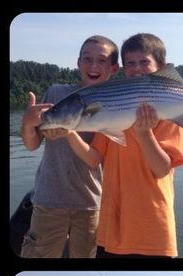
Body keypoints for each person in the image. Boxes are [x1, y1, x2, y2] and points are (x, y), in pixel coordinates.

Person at [64, 33, 183, 257]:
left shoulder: (170, 112)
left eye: (144, 62)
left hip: (152, 233)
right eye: (130, 63)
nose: (137, 68)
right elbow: (94, 158)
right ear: (122, 69)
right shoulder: (113, 109)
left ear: (161, 66)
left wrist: (144, 134)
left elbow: (162, 169)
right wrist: (69, 131)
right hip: (111, 231)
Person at [20, 35, 119, 258]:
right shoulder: (56, 94)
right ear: (78, 63)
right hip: (49, 200)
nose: (93, 65)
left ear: (114, 68)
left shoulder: (120, 101)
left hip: (91, 203)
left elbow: (102, 156)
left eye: (102, 60)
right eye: (87, 58)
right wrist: (27, 123)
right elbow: (32, 143)